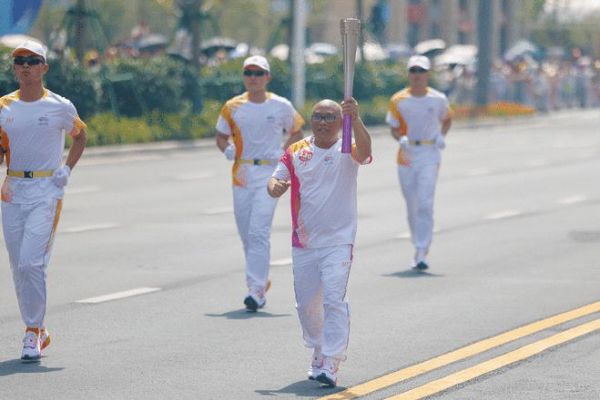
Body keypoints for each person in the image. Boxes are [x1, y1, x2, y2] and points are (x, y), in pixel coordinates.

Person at [267, 98, 372, 387]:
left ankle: (332, 360)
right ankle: (318, 347)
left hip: (339, 240)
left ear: (341, 123)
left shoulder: (347, 146)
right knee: (306, 305)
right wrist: (275, 187)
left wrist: (357, 118)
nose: (322, 122)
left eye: (329, 117)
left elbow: (365, 152)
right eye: (318, 116)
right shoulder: (296, 151)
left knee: (334, 298)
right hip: (304, 242)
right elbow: (275, 179)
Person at [0, 40, 87, 361]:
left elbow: (80, 135)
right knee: (17, 267)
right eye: (19, 61)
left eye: (32, 61)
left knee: (31, 263)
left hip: (46, 191)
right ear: (14, 68)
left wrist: (66, 168)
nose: (25, 66)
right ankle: (37, 328)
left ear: (44, 68)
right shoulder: (3, 107)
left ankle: (32, 330)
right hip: (12, 191)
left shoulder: (60, 106)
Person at [215, 55, 304, 312]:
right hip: (242, 171)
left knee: (258, 231)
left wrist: (283, 154)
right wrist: (227, 149)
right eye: (248, 72)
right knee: (246, 233)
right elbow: (221, 136)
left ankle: (256, 290)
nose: (253, 77)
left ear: (267, 77)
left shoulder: (280, 105)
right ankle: (261, 279)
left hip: (270, 172)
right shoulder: (232, 107)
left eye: (258, 73)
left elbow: (296, 131)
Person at [386, 55, 452, 271]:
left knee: (425, 203)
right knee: (412, 204)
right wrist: (400, 138)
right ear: (409, 74)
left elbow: (447, 118)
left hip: (429, 152)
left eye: (420, 71)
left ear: (427, 74)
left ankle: (422, 250)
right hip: (407, 154)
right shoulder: (398, 100)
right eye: (413, 71)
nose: (417, 75)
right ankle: (417, 243)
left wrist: (442, 135)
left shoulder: (438, 98)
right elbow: (394, 127)